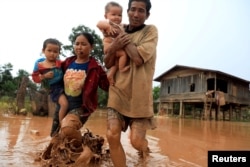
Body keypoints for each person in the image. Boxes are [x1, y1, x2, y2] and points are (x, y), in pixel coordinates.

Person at [103, 0, 158, 166]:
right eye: (132, 9)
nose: (136, 14)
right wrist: (113, 47)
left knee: (136, 142)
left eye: (141, 11)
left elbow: (137, 58)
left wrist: (119, 38)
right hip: (118, 92)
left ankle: (145, 150)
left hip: (140, 97)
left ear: (147, 15)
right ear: (127, 11)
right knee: (112, 135)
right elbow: (107, 62)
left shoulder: (150, 31)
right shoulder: (116, 30)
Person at [50, 32, 109, 137]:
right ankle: (76, 148)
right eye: (77, 44)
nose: (79, 47)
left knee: (67, 128)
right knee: (55, 137)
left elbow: (107, 86)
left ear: (91, 47)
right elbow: (55, 79)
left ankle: (82, 144)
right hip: (63, 105)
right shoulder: (67, 63)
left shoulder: (96, 68)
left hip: (81, 107)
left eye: (83, 44)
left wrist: (114, 71)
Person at [32, 38, 68, 125]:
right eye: (49, 50)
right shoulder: (39, 65)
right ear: (43, 51)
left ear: (59, 53)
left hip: (65, 85)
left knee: (69, 104)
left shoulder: (60, 63)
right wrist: (44, 76)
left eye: (55, 51)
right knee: (64, 104)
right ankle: (62, 126)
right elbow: (35, 79)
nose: (52, 53)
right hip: (53, 88)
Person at [97, 1, 129, 85]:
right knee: (123, 54)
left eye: (119, 15)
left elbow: (124, 26)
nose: (117, 17)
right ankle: (122, 69)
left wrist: (126, 26)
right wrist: (107, 27)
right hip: (109, 47)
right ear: (106, 16)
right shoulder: (107, 23)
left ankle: (110, 74)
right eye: (113, 14)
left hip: (115, 49)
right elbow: (98, 24)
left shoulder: (120, 25)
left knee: (115, 64)